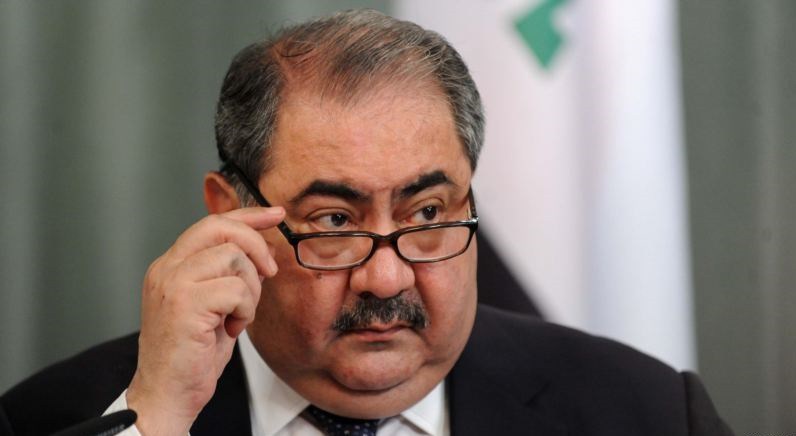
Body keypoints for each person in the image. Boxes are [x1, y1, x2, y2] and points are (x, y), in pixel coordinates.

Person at [0, 9, 733, 436]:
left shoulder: (645, 413)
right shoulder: (54, 417)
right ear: (231, 215)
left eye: (427, 213)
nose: (385, 277)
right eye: (333, 220)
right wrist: (156, 419)